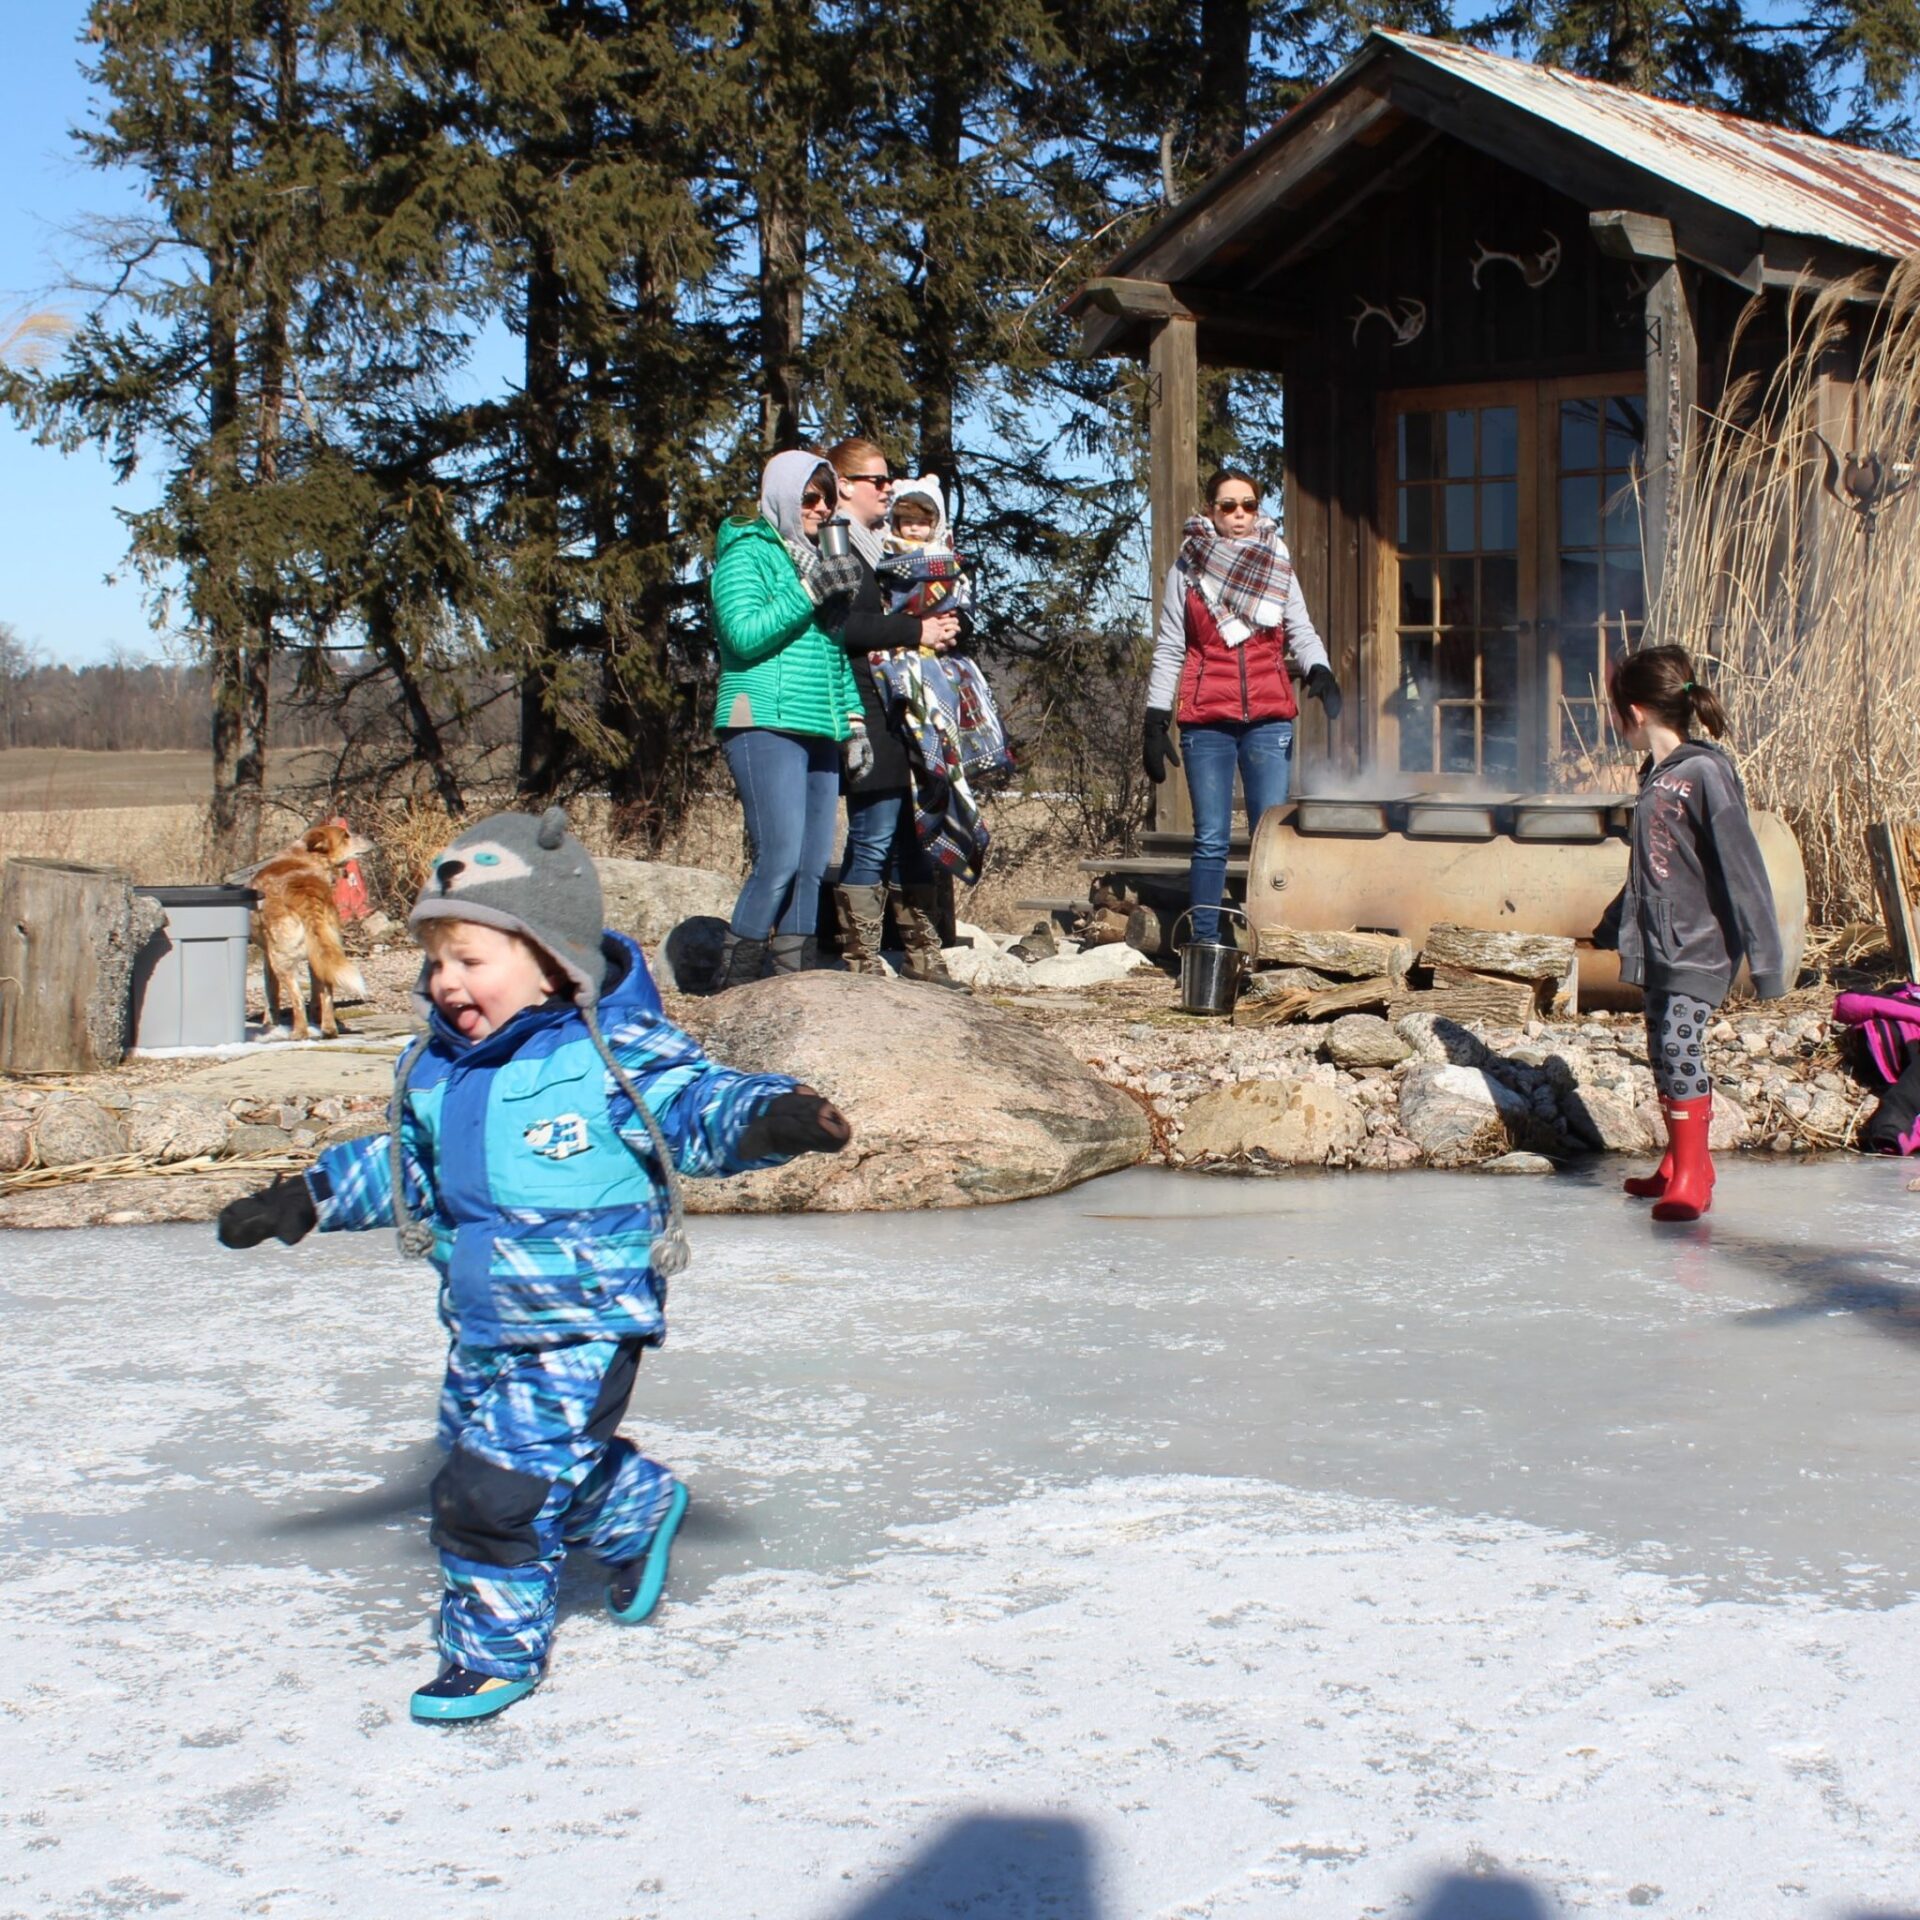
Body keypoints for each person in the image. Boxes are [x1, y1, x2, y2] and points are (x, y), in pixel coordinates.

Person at [214, 809, 853, 1724]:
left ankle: (488, 1656)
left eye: (472, 962)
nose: (447, 984)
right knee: (526, 1462)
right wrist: (307, 1197)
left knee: (487, 1493)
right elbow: (410, 1173)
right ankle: (632, 1505)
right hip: (481, 1321)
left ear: (553, 959)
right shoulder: (440, 1070)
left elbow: (689, 1103)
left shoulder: (607, 1057)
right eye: (437, 963)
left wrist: (766, 1114)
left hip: (583, 1322)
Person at [1595, 647, 1786, 1221]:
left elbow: (1743, 865)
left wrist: (1768, 960)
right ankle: (1677, 1162)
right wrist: (1613, 926)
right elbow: (1654, 865)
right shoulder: (1656, 775)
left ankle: (1696, 1174)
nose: (1613, 723)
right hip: (1658, 943)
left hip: (1700, 943)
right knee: (1660, 1047)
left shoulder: (1704, 772)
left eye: (1612, 712)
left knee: (1680, 1044)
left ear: (1633, 711)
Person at [1142, 468, 1342, 943]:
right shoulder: (1187, 570)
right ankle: (1206, 944)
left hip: (1269, 719)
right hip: (1206, 719)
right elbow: (1171, 646)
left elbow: (1301, 629)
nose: (1239, 515)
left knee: (1268, 839)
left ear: (1258, 509)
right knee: (1210, 839)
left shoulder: (1276, 562)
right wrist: (1155, 719)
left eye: (1248, 505)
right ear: (1210, 510)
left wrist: (1320, 668)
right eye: (1228, 505)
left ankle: (1270, 943)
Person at [709, 448, 867, 989]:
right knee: (777, 856)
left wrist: (855, 723)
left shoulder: (815, 563)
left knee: (811, 860)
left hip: (818, 724)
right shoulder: (746, 554)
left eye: (827, 498)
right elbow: (743, 635)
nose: (821, 509)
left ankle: (794, 981)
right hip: (762, 721)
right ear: (780, 496)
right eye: (809, 497)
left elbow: (831, 653)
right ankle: (736, 983)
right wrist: (808, 592)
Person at [821, 438, 965, 987]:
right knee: (875, 829)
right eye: (879, 482)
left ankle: (921, 954)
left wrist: (943, 625)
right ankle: (860, 957)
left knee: (917, 831)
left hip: (910, 704)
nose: (889, 490)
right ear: (845, 485)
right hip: (864, 703)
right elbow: (843, 627)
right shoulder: (838, 548)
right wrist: (915, 630)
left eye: (889, 482)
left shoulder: (891, 549)